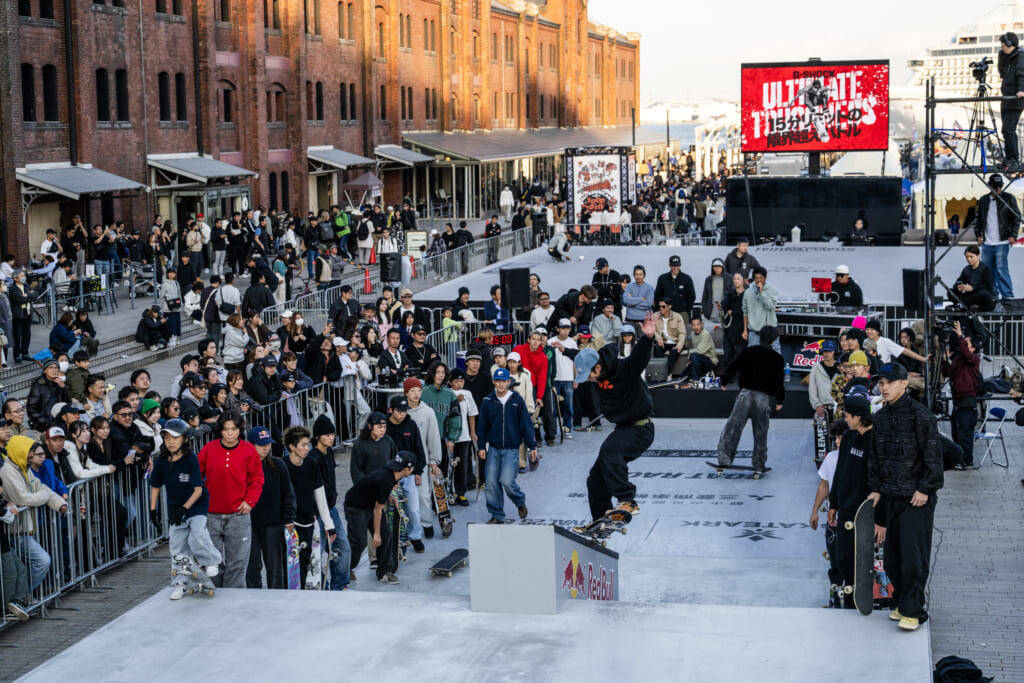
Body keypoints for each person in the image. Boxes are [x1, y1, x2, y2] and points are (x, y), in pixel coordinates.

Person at [867, 362, 943, 631]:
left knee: (914, 556)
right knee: (892, 557)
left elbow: (934, 458)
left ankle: (914, 610)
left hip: (916, 499)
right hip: (889, 497)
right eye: (881, 383)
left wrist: (925, 489)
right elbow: (874, 460)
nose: (883, 387)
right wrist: (876, 488)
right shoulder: (880, 417)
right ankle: (901, 602)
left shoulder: (921, 417)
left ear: (903, 384)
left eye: (888, 383)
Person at [569, 313, 656, 523]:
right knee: (595, 478)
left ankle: (628, 500)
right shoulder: (595, 368)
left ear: (598, 367)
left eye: (589, 375)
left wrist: (647, 338)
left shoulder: (624, 368)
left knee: (610, 451)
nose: (589, 380)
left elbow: (639, 359)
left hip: (640, 429)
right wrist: (564, 350)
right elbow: (578, 355)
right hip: (623, 429)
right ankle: (601, 519)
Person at [148, 419, 222, 600]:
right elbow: (155, 486)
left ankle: (211, 561)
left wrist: (184, 508)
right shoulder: (161, 461)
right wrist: (153, 510)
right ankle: (181, 583)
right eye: (167, 437)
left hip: (196, 505)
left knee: (197, 533)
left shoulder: (191, 459)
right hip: (175, 508)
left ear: (185, 439)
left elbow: (198, 490)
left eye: (175, 437)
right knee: (177, 546)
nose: (170, 441)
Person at [197, 411, 264, 588]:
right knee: (212, 562)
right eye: (226, 429)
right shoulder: (209, 449)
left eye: (233, 429)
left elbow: (257, 479)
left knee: (238, 563)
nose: (230, 433)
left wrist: (250, 501)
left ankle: (233, 601)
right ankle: (215, 595)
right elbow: (197, 475)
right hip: (211, 515)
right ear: (220, 430)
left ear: (239, 429)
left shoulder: (248, 450)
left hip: (238, 516)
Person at [0, 436, 67, 592]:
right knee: (42, 561)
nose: (31, 456)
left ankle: (21, 597)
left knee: (23, 568)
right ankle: (20, 596)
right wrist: (43, 496)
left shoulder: (22, 467)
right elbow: (24, 499)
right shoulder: (9, 472)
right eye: (29, 452)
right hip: (17, 531)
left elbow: (40, 486)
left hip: (26, 528)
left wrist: (59, 503)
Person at [716, 325, 785, 475]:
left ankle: (724, 459)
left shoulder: (749, 351)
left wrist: (724, 381)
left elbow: (733, 366)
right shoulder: (777, 359)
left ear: (760, 337)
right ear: (773, 340)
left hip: (745, 396)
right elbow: (779, 382)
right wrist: (779, 401)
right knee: (761, 432)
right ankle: (758, 464)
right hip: (763, 398)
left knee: (733, 427)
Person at [827, 393, 876, 602]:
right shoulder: (848, 437)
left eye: (848, 416)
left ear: (859, 417)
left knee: (863, 558)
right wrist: (833, 503)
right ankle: (847, 594)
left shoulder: (876, 440)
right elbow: (840, 472)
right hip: (845, 508)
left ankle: (866, 593)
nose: (846, 419)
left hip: (864, 511)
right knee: (842, 556)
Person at [344, 453, 413, 585]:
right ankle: (346, 568)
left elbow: (378, 490)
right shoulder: (386, 479)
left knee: (386, 536)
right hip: (355, 506)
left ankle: (384, 572)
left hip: (370, 502)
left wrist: (389, 496)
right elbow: (378, 510)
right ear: (407, 469)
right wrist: (376, 534)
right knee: (359, 541)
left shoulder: (393, 473)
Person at [476, 368, 535, 524]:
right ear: (494, 382)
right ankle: (497, 514)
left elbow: (526, 425)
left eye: (504, 381)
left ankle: (520, 501)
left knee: (507, 481)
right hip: (493, 448)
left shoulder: (517, 400)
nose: (501, 384)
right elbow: (482, 426)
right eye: (498, 381)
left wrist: (532, 446)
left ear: (509, 382)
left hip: (511, 448)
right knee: (490, 483)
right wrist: (481, 446)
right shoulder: (488, 401)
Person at [281, 425, 336, 587]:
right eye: (303, 445)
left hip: (307, 522)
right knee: (288, 564)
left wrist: (329, 525)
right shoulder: (282, 465)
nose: (307, 448)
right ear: (292, 446)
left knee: (305, 563)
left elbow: (320, 496)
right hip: (289, 524)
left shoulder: (312, 464)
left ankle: (302, 597)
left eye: (307, 445)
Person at [403, 377, 442, 538]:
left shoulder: (428, 412)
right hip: (403, 464)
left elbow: (433, 437)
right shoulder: (401, 412)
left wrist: (434, 460)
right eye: (413, 391)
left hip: (422, 461)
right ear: (406, 393)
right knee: (406, 498)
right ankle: (410, 528)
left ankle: (427, 524)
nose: (416, 394)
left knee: (424, 495)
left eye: (419, 390)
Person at [944, 321, 981, 469]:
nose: (963, 343)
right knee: (956, 431)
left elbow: (966, 353)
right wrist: (945, 359)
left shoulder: (974, 359)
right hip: (958, 400)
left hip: (967, 401)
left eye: (966, 342)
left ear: (972, 348)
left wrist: (960, 335)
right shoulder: (959, 360)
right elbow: (948, 372)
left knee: (965, 433)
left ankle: (967, 460)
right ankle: (959, 458)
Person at [976, 173, 1016, 299]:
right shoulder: (983, 200)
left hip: (1002, 241)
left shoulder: (1008, 198)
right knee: (988, 271)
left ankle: (1008, 295)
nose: (998, 189)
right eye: (995, 186)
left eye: (999, 186)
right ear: (990, 186)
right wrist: (978, 235)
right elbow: (979, 220)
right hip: (987, 242)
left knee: (1001, 269)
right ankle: (992, 294)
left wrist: (1013, 235)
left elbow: (1016, 217)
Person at [998, 32, 1024, 173]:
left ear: (1010, 44)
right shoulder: (1006, 57)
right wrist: (1001, 57)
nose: (1001, 46)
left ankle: (1013, 159)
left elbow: (1023, 73)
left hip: (1016, 98)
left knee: (1009, 129)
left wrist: (1021, 89)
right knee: (1005, 130)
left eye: (1003, 44)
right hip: (1006, 98)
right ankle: (1009, 158)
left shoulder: (1020, 56)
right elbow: (1001, 72)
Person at [742, 267, 779, 352]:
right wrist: (745, 330)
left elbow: (771, 305)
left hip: (770, 332)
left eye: (760, 278)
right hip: (754, 332)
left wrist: (761, 293)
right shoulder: (748, 292)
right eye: (756, 278)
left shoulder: (773, 290)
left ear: (765, 278)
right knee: (753, 358)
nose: (758, 280)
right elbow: (745, 312)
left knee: (774, 356)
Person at [951, 245, 996, 311]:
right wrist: (959, 286)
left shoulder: (986, 269)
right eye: (967, 257)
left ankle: (961, 306)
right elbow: (958, 281)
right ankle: (963, 305)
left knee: (984, 294)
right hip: (971, 297)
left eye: (971, 257)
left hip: (985, 300)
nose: (969, 259)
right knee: (951, 291)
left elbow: (988, 287)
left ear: (978, 256)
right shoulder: (966, 269)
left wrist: (972, 288)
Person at [654, 255, 696, 323]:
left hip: (682, 314)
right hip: (666, 313)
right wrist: (661, 310)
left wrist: (686, 310)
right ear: (669, 265)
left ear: (680, 265)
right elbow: (657, 296)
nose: (675, 268)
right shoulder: (662, 278)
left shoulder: (687, 279)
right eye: (673, 265)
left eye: (677, 265)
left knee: (682, 332)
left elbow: (692, 297)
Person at [653, 298, 687, 378]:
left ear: (669, 307)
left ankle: (666, 374)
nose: (661, 308)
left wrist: (680, 345)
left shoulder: (677, 317)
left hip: (675, 342)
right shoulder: (655, 315)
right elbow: (652, 330)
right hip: (663, 342)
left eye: (663, 306)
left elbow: (682, 333)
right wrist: (658, 338)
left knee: (674, 352)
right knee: (657, 349)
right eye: (659, 306)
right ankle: (661, 373)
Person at [701, 258, 728, 323]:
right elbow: (704, 297)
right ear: (712, 268)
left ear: (723, 267)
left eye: (719, 267)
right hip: (711, 316)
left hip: (725, 316)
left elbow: (733, 296)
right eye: (715, 266)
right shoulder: (708, 279)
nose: (717, 269)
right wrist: (705, 311)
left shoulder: (729, 279)